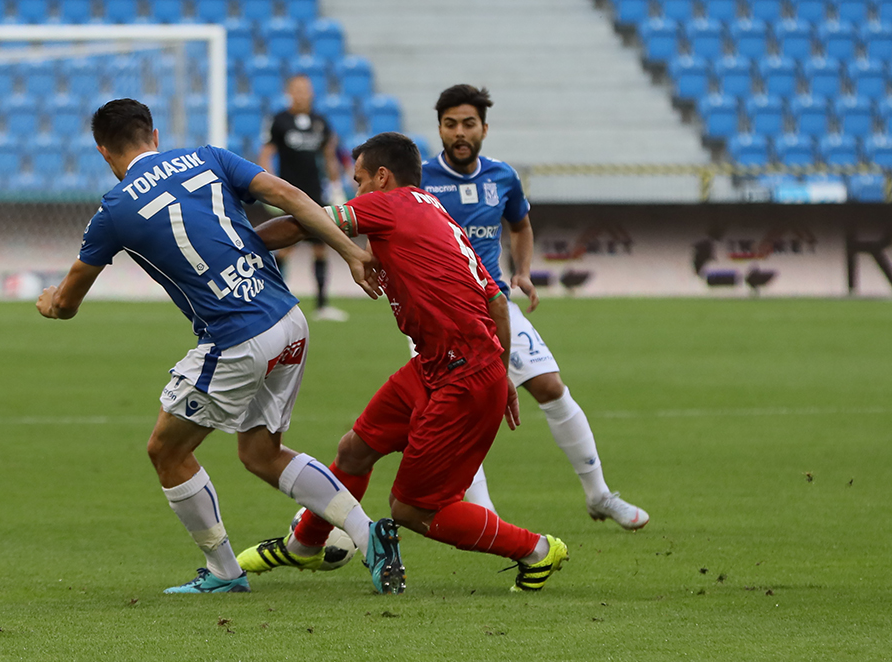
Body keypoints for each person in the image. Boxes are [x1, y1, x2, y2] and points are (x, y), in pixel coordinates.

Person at [35, 99, 404, 595]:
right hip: (289, 320)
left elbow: (67, 303)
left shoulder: (114, 210)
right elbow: (291, 196)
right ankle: (369, 534)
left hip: (237, 338)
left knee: (167, 450)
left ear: (103, 151)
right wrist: (350, 252)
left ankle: (225, 572)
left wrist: (50, 302)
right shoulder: (208, 157)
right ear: (155, 135)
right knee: (260, 452)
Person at [237, 132, 569, 593]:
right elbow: (495, 299)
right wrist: (504, 374)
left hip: (463, 375)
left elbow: (303, 222)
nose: (355, 191)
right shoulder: (434, 210)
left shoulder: (388, 204)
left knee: (412, 508)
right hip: (441, 365)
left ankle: (536, 550)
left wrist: (235, 250)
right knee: (354, 450)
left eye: (358, 181)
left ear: (382, 177)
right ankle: (305, 545)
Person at [421, 84, 649, 530]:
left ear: (484, 128)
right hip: (438, 319)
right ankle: (486, 518)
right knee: (460, 410)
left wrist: (522, 270)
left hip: (495, 308)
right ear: (440, 130)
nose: (460, 132)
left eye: (468, 124)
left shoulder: (502, 176)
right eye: (450, 124)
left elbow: (521, 226)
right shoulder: (422, 179)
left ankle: (599, 494)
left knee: (551, 387)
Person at [259, 74, 349, 322]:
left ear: (311, 92)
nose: (301, 94)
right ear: (289, 92)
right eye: (296, 89)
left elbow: (329, 155)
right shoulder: (279, 120)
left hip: (315, 194)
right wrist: (268, 185)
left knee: (320, 248)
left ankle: (321, 305)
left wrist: (335, 186)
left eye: (305, 89)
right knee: (286, 247)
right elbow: (266, 153)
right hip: (289, 194)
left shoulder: (320, 122)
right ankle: (273, 300)